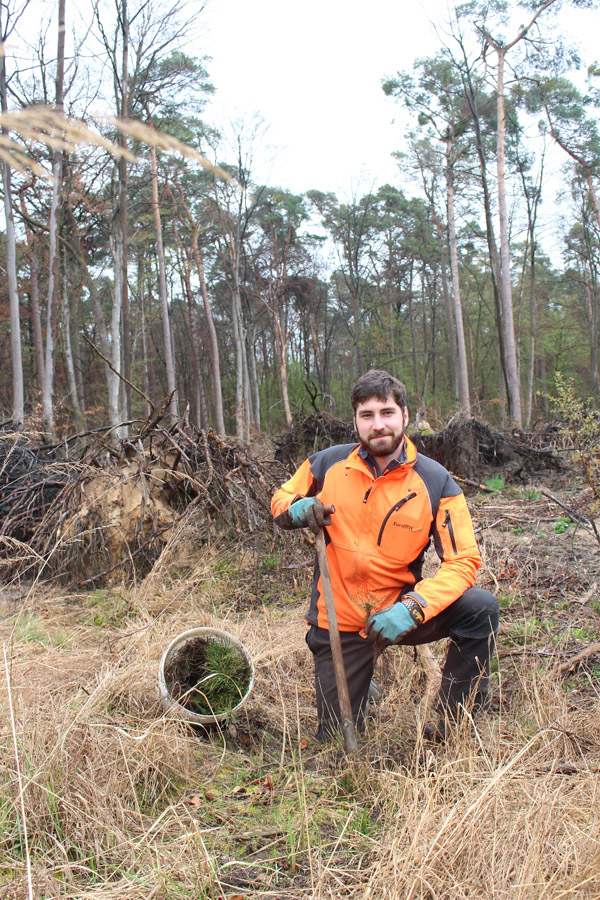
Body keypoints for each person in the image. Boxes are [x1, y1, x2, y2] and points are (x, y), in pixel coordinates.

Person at [271, 370, 499, 742]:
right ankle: (363, 685)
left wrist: (413, 607)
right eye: (367, 415)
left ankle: (452, 725)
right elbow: (281, 498)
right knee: (334, 741)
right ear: (356, 421)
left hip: (400, 609)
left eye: (387, 413)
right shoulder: (327, 464)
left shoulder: (436, 481)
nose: (379, 425)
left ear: (405, 417)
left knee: (480, 607)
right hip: (340, 618)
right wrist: (297, 509)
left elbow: (463, 562)